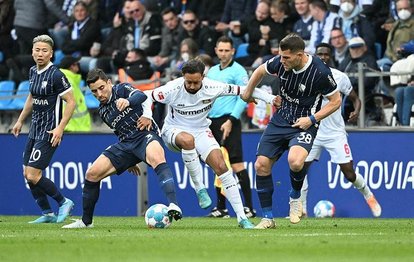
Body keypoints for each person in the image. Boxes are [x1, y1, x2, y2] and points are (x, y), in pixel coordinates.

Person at [146, 59, 278, 229]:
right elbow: (147, 96)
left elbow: (245, 89)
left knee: (222, 166)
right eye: (189, 82)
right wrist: (146, 115)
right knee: (188, 140)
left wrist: (271, 98)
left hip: (201, 130)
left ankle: (242, 218)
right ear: (183, 77)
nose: (192, 86)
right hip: (173, 131)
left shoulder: (214, 87)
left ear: (203, 77)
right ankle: (199, 188)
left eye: (196, 82)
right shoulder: (172, 88)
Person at [241, 33, 342, 229]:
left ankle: (295, 197)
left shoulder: (320, 72)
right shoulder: (281, 62)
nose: (281, 61)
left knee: (295, 162)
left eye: (286, 57)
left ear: (300, 55)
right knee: (260, 165)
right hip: (280, 119)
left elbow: (336, 101)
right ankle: (267, 218)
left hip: (304, 122)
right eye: (280, 56)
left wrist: (312, 119)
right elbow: (260, 70)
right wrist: (247, 91)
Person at [62, 68, 182, 228]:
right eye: (94, 92)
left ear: (109, 83)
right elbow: (119, 131)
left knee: (157, 158)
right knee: (92, 174)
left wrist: (129, 102)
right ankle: (86, 222)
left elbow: (141, 95)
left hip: (145, 134)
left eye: (101, 88)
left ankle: (173, 205)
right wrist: (129, 161)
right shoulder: (103, 111)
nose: (99, 94)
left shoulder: (122, 89)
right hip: (126, 144)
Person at [299, 43, 382, 217]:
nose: (323, 57)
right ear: (315, 55)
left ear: (331, 56)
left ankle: (369, 195)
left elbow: (355, 98)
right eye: (320, 54)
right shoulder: (306, 75)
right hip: (313, 130)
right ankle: (302, 209)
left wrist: (356, 110)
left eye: (326, 54)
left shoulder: (339, 77)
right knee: (300, 167)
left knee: (349, 173)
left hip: (335, 133)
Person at [11, 35, 76, 224]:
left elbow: (71, 102)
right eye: (37, 50)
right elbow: (31, 98)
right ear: (32, 52)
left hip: (49, 131)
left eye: (44, 51)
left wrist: (60, 128)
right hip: (34, 130)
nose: (40, 54)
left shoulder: (56, 75)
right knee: (27, 174)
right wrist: (20, 121)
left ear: (51, 54)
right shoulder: (32, 71)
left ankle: (64, 202)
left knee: (33, 174)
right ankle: (47, 213)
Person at [206, 36, 255, 218]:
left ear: (233, 51)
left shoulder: (239, 71)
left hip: (230, 120)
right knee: (217, 163)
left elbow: (244, 96)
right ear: (216, 50)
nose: (224, 53)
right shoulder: (211, 71)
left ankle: (249, 207)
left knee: (236, 164)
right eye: (221, 50)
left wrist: (232, 119)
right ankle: (221, 208)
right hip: (212, 121)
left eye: (227, 50)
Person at [58, 55, 92, 132]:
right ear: (71, 66)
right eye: (77, 64)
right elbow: (66, 105)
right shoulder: (68, 82)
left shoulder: (69, 80)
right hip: (72, 129)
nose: (78, 66)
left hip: (77, 128)